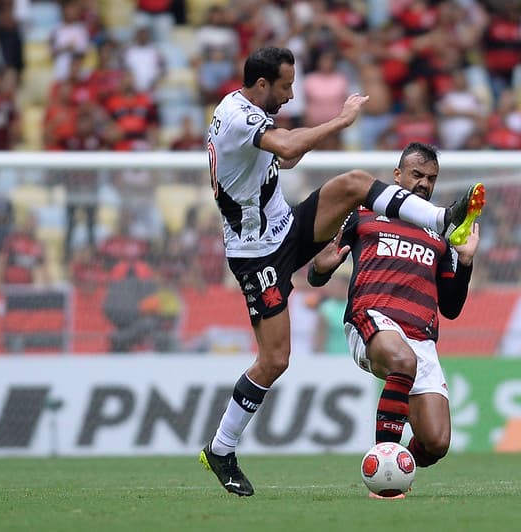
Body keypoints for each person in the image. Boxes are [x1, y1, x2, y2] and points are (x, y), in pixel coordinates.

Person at [199, 46, 485, 497]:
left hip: (286, 226)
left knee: (354, 183)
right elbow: (290, 146)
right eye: (285, 86)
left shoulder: (248, 112)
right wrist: (341, 120)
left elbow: (285, 158)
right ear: (260, 86)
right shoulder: (237, 116)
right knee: (275, 360)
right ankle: (221, 448)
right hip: (257, 254)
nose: (291, 95)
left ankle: (438, 219)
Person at [307, 142, 482, 498]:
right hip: (371, 318)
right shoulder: (362, 213)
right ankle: (384, 478)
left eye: (431, 178)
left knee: (436, 441)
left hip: (420, 335)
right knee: (403, 360)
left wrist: (464, 262)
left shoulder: (440, 233)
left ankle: (399, 468)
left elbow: (450, 307)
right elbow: (319, 269)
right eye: (416, 175)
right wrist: (319, 271)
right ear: (397, 175)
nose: (423, 184)